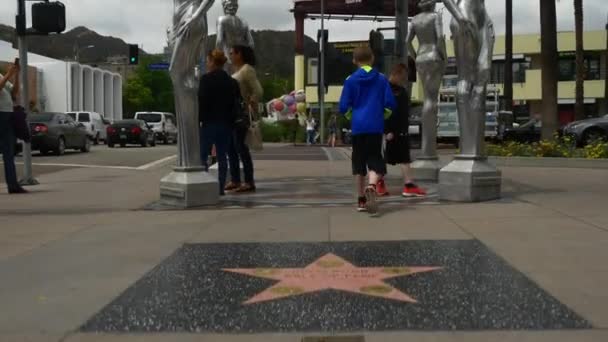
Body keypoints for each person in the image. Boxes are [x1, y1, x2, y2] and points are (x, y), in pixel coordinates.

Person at [339, 46, 396, 215]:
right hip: (375, 127)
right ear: (372, 59)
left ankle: (361, 200)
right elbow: (390, 104)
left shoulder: (350, 80)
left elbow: (343, 106)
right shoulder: (381, 79)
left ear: (354, 61)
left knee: (358, 163)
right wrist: (381, 116)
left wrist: (352, 116)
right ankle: (372, 185)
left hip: (358, 127)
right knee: (375, 160)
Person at [378, 63, 427, 198]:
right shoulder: (389, 90)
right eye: (404, 76)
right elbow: (387, 111)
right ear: (398, 75)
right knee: (397, 158)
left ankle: (382, 183)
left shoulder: (394, 90)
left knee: (397, 158)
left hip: (398, 130)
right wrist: (388, 130)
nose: (405, 79)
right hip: (393, 130)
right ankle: (406, 185)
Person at [198, 49, 241, 195]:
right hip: (226, 124)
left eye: (208, 61)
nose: (207, 64)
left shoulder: (205, 80)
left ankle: (203, 184)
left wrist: (200, 119)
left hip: (209, 123)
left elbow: (201, 102)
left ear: (212, 62)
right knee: (223, 156)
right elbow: (237, 103)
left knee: (203, 156)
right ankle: (221, 186)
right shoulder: (232, 82)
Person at [225, 45, 263, 193]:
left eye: (232, 53)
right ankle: (235, 179)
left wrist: (250, 102)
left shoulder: (247, 69)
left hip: (241, 113)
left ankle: (248, 181)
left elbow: (258, 90)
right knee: (231, 148)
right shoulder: (237, 71)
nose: (230, 56)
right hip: (232, 113)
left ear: (239, 54)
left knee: (241, 147)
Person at [0, 60, 27, 194]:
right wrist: (9, 73)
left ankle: (13, 185)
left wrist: (16, 74)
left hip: (8, 116)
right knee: (7, 151)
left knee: (9, 153)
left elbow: (14, 92)